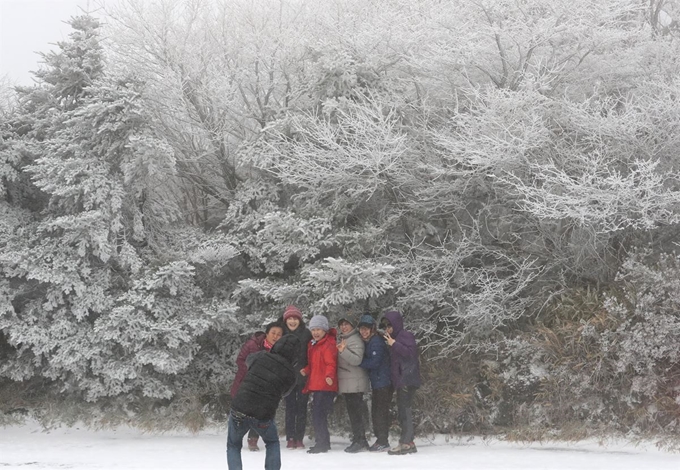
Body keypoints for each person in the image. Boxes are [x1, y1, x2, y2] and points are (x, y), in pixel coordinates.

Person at [227, 334, 300, 470]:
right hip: (263, 414)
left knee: (233, 445)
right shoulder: (291, 375)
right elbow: (285, 392)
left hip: (240, 407)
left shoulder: (261, 356)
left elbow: (248, 361)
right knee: (272, 443)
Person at [230, 321, 284, 451]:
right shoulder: (252, 344)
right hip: (247, 383)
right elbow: (240, 360)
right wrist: (254, 371)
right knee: (242, 413)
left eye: (279, 334)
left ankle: (253, 439)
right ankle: (235, 438)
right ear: (267, 333)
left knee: (261, 411)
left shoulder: (281, 350)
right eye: (273, 333)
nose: (275, 336)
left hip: (266, 387)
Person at [380, 310, 421, 455]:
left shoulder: (405, 335)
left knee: (405, 412)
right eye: (385, 326)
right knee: (403, 411)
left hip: (407, 379)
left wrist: (394, 344)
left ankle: (406, 443)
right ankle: (408, 441)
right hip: (401, 380)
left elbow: (411, 353)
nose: (387, 329)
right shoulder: (394, 338)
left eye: (389, 325)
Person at [300, 314, 338, 454]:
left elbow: (331, 363)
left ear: (325, 331)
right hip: (317, 385)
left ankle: (322, 443)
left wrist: (329, 376)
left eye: (318, 330)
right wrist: (306, 370)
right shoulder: (313, 345)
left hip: (325, 386)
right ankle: (323, 442)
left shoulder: (328, 344)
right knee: (317, 414)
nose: (315, 332)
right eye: (313, 329)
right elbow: (314, 364)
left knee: (319, 414)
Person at [358, 314, 393, 452]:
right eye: (362, 328)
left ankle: (382, 440)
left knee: (380, 412)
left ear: (372, 329)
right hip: (379, 381)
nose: (364, 331)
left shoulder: (376, 342)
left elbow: (374, 362)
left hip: (383, 382)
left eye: (367, 328)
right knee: (377, 411)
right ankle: (381, 439)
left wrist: (358, 362)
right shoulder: (371, 341)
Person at [336, 314, 370, 453]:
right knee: (353, 413)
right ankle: (359, 439)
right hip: (348, 382)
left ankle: (360, 440)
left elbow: (356, 360)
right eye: (341, 324)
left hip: (354, 383)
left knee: (356, 414)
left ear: (352, 326)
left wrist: (343, 351)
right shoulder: (345, 339)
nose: (344, 327)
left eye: (346, 324)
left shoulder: (354, 340)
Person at [281, 305, 312, 449]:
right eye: (290, 319)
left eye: (295, 319)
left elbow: (312, 355)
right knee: (290, 408)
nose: (292, 322)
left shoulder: (307, 334)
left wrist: (307, 369)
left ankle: (299, 437)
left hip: (303, 377)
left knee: (301, 408)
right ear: (285, 320)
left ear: (299, 320)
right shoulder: (281, 333)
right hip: (287, 378)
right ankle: (290, 437)